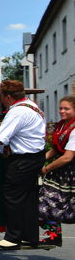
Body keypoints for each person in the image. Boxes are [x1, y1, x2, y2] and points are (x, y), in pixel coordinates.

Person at [0, 80, 46, 249]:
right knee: (28, 197)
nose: (1, 99)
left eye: (1, 96)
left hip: (22, 159)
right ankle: (30, 236)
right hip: (35, 157)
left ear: (9, 97)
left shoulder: (17, 112)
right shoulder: (33, 107)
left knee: (13, 197)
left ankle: (12, 238)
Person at [37, 95, 74, 246]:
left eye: (66, 108)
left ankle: (54, 234)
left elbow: (67, 157)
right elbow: (56, 150)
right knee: (43, 202)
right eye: (61, 108)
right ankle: (54, 234)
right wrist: (39, 161)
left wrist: (46, 168)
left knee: (66, 207)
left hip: (70, 173)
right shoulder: (61, 126)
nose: (62, 111)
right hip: (60, 172)